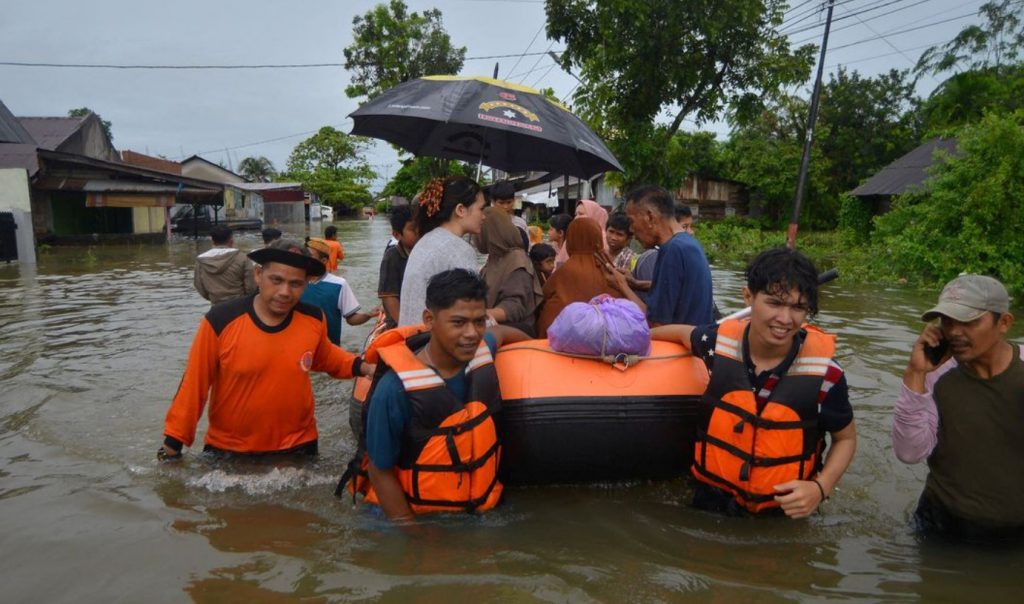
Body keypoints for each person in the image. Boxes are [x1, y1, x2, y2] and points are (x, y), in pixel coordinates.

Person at [651, 247, 856, 518]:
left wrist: (820, 488)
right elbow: (680, 333)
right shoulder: (717, 345)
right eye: (774, 303)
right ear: (748, 296)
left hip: (782, 513)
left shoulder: (826, 375)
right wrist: (635, 341)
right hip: (711, 501)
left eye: (797, 307)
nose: (785, 319)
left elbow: (846, 438)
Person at [160, 240, 375, 460]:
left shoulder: (313, 318)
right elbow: (195, 383)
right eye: (276, 280)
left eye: (296, 284)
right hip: (231, 450)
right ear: (258, 275)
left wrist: (365, 367)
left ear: (306, 284)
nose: (285, 292)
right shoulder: (220, 320)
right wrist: (174, 442)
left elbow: (326, 356)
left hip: (299, 446)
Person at [356, 269, 528, 520]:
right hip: (414, 513)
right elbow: (379, 471)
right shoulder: (394, 390)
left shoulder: (481, 352)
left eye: (479, 321)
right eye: (458, 323)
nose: (472, 333)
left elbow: (500, 333)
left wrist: (536, 343)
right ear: (429, 319)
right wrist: (411, 531)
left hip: (476, 502)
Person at [892, 274, 1023, 541]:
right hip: (941, 525)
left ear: (1004, 323)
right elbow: (909, 453)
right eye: (947, 321)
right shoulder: (934, 374)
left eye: (969, 322)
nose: (954, 332)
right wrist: (915, 373)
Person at [603, 185, 714, 327]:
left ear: (650, 217)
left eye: (631, 221)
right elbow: (679, 289)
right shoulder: (688, 243)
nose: (631, 229)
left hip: (678, 341)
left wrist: (621, 285)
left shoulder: (672, 250)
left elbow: (656, 324)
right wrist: (636, 284)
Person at [398, 176, 486, 326]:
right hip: (430, 336)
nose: (483, 216)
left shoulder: (427, 239)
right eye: (481, 209)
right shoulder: (459, 250)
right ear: (460, 210)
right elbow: (471, 309)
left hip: (410, 334)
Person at [536, 217, 621, 338]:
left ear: (570, 240)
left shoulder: (564, 270)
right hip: (605, 340)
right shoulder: (608, 268)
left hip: (560, 339)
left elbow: (543, 296)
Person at [303, 238, 379, 345]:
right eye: (304, 255)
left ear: (323, 261)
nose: (304, 258)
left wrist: (369, 314)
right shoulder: (296, 281)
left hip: (329, 348)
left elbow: (351, 318)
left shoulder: (339, 284)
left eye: (309, 256)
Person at [479, 207, 542, 336]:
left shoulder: (516, 260)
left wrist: (479, 315)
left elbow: (515, 306)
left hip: (512, 334)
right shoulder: (494, 258)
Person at [377, 205, 419, 329]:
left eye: (421, 228)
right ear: (396, 235)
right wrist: (404, 327)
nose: (419, 233)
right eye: (413, 229)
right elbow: (389, 296)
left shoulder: (426, 252)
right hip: (399, 323)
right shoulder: (392, 256)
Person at [193, 224, 257, 306]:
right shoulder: (242, 258)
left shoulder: (201, 261)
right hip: (239, 306)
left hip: (216, 307)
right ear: (231, 240)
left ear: (212, 241)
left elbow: (199, 286)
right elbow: (251, 287)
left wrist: (213, 297)